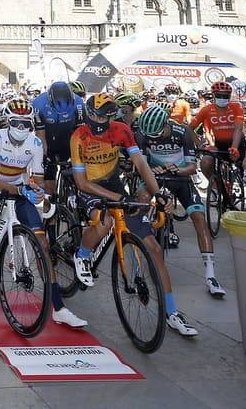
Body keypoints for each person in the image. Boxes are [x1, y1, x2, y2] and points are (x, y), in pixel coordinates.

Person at [70, 94, 199, 337]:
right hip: (90, 186)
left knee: (154, 249)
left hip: (114, 184)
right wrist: (116, 198)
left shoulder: (121, 130)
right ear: (88, 115)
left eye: (105, 116)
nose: (100, 120)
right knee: (104, 222)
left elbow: (140, 164)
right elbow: (81, 182)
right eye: (95, 116)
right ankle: (82, 254)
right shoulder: (79, 136)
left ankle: (172, 312)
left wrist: (158, 193)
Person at [0, 98, 88, 327]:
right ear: (8, 122)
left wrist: (38, 192)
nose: (21, 128)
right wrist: (22, 189)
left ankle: (59, 308)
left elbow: (39, 179)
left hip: (17, 184)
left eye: (26, 124)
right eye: (16, 123)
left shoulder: (36, 144)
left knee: (42, 245)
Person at [133, 104, 226, 297]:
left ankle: (211, 276)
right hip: (155, 176)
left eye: (157, 135)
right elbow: (140, 166)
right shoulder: (142, 134)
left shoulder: (181, 131)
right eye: (149, 136)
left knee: (200, 218)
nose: (152, 139)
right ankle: (141, 252)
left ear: (166, 125)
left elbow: (192, 167)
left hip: (181, 177)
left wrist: (176, 169)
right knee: (141, 198)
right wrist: (150, 170)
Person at [33, 81, 83, 198]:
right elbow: (40, 134)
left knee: (79, 176)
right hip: (48, 141)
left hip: (69, 141)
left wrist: (79, 154)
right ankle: (50, 210)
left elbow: (80, 132)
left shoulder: (79, 103)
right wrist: (44, 155)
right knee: (49, 185)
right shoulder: (38, 104)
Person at [194, 80, 245, 182]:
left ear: (230, 96)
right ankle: (214, 185)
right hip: (220, 144)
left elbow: (238, 128)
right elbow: (189, 128)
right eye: (219, 96)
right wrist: (200, 144)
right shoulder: (206, 110)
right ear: (213, 95)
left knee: (244, 169)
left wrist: (234, 147)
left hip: (238, 142)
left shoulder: (236, 106)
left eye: (225, 96)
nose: (222, 98)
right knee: (205, 161)